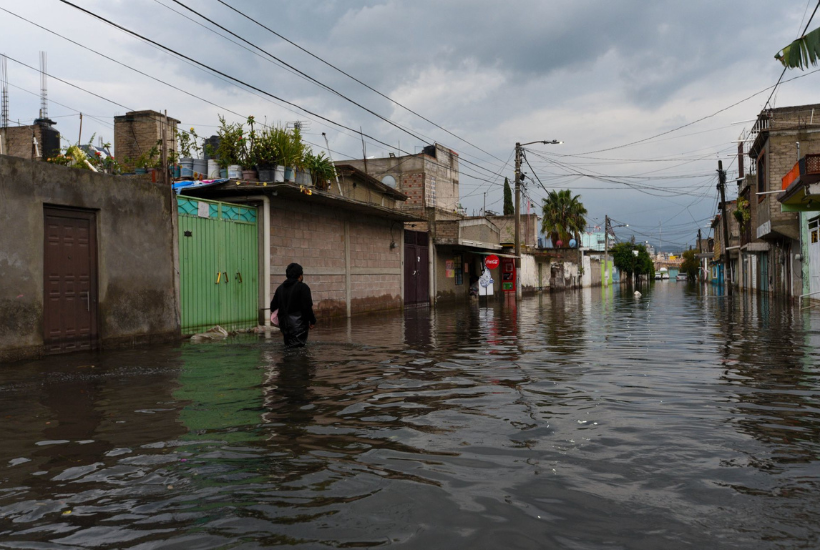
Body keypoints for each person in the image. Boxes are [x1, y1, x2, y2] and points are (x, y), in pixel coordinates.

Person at [271, 263, 317, 348]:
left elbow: (273, 306)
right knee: (298, 352)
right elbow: (307, 308)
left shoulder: (280, 288)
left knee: (288, 348)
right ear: (300, 275)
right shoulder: (303, 287)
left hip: (284, 325)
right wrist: (312, 321)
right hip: (298, 326)